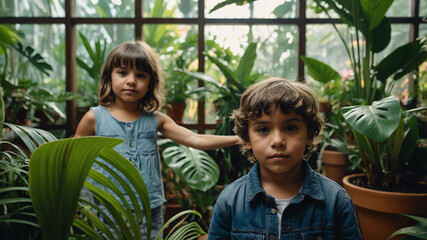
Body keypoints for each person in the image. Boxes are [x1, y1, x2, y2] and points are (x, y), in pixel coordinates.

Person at [74, 40, 241, 239]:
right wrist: (82, 204)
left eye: (141, 75)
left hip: (149, 209)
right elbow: (75, 162)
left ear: (150, 83)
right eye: (123, 72)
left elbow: (195, 139)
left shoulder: (157, 120)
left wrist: (238, 139)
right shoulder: (94, 118)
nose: (131, 80)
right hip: (107, 209)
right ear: (109, 76)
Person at [207, 77, 362, 239]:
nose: (277, 141)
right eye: (263, 129)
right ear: (246, 139)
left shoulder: (336, 201)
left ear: (309, 134)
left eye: (290, 128)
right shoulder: (229, 202)